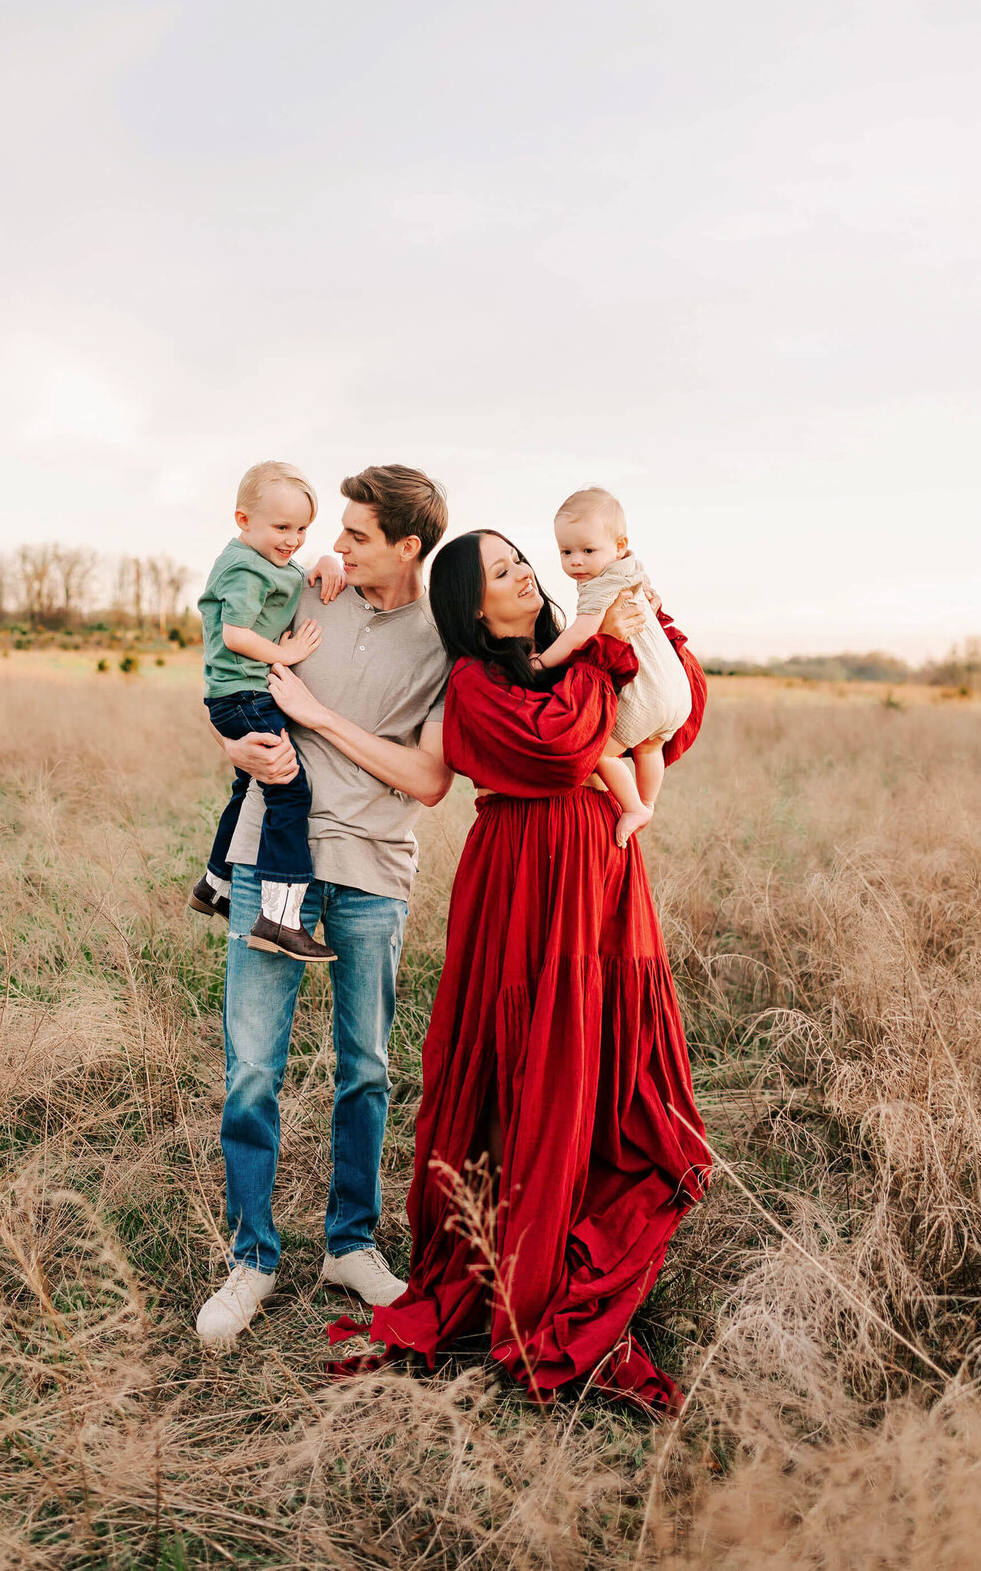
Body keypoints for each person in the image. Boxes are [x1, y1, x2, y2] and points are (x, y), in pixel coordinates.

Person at [330, 530, 710, 1413]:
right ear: (472, 607)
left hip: (600, 877)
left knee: (609, 1057)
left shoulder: (560, 655)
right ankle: (524, 1258)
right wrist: (602, 648)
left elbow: (670, 722)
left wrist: (649, 630)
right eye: (503, 572)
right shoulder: (475, 683)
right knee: (532, 1059)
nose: (528, 575)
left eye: (522, 560)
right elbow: (562, 746)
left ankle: (587, 1207)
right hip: (527, 882)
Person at [194, 465, 454, 1346]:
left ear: (408, 546)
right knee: (253, 1069)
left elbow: (429, 777)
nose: (332, 545)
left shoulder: (443, 635)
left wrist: (319, 714)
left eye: (355, 534)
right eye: (335, 529)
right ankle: (253, 1258)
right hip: (277, 858)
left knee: (367, 1067)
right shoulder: (306, 588)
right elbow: (224, 675)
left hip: (377, 867)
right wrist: (242, 743)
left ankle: (351, 1243)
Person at [189, 459, 345, 961]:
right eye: (282, 527)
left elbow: (293, 577)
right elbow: (235, 634)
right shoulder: (243, 567)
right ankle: (279, 919)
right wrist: (288, 655)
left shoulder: (267, 561)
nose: (292, 539)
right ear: (243, 520)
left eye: (302, 529)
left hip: (236, 695)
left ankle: (215, 884)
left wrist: (324, 561)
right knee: (290, 793)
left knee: (250, 785)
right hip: (244, 694)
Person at [537, 486, 693, 848]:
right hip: (675, 690)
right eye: (566, 552)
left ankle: (634, 806)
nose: (576, 561)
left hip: (647, 694)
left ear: (619, 546)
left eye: (588, 550)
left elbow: (581, 633)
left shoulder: (599, 586)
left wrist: (543, 661)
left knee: (600, 751)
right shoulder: (632, 569)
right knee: (649, 748)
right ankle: (649, 802)